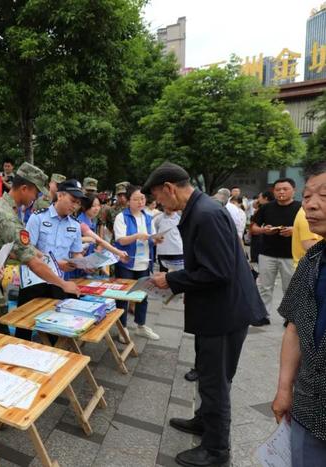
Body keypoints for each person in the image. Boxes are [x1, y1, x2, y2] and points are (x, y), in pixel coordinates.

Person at [145, 162, 265, 467]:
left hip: (223, 314)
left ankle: (216, 450)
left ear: (170, 188)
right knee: (207, 372)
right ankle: (204, 421)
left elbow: (217, 272)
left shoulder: (206, 213)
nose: (160, 204)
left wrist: (171, 280)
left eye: (159, 197)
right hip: (215, 309)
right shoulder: (203, 208)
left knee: (215, 381)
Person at [0, 163, 80, 332]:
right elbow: (32, 262)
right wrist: (63, 284)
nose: (36, 197)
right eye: (35, 192)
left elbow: (26, 249)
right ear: (24, 188)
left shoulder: (1, 206)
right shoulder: (7, 217)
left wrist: (44, 257)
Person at [271, 160, 326, 465]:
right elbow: (293, 327)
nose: (312, 205)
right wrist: (283, 389)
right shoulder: (312, 262)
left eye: (324, 196)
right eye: (307, 197)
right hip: (308, 403)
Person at [16, 179, 88, 339]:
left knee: (54, 326)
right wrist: (55, 263)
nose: (74, 206)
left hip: (58, 282)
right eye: (72, 201)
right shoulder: (38, 218)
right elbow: (27, 249)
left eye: (77, 203)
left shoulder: (75, 225)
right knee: (24, 325)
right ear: (60, 195)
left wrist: (84, 263)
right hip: (33, 280)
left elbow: (76, 253)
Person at [113, 186, 163, 341]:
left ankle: (141, 325)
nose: (140, 202)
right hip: (127, 262)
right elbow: (120, 240)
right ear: (128, 201)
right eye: (136, 199)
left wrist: (156, 240)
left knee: (143, 295)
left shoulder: (148, 217)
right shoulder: (122, 217)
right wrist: (137, 236)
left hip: (144, 262)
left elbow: (151, 238)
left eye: (142, 198)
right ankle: (123, 329)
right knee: (123, 297)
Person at [250, 178, 301, 325]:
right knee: (264, 287)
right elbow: (253, 228)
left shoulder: (301, 208)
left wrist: (294, 231)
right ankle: (262, 315)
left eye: (285, 189)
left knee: (290, 288)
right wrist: (264, 230)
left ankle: (289, 317)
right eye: (278, 189)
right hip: (267, 253)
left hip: (291, 255)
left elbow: (312, 228)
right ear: (274, 191)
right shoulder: (266, 208)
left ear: (293, 190)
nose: (281, 192)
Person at [153, 206, 183, 273]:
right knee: (163, 273)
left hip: (178, 251)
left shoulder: (179, 218)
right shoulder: (158, 218)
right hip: (163, 251)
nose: (169, 208)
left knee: (178, 273)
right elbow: (154, 232)